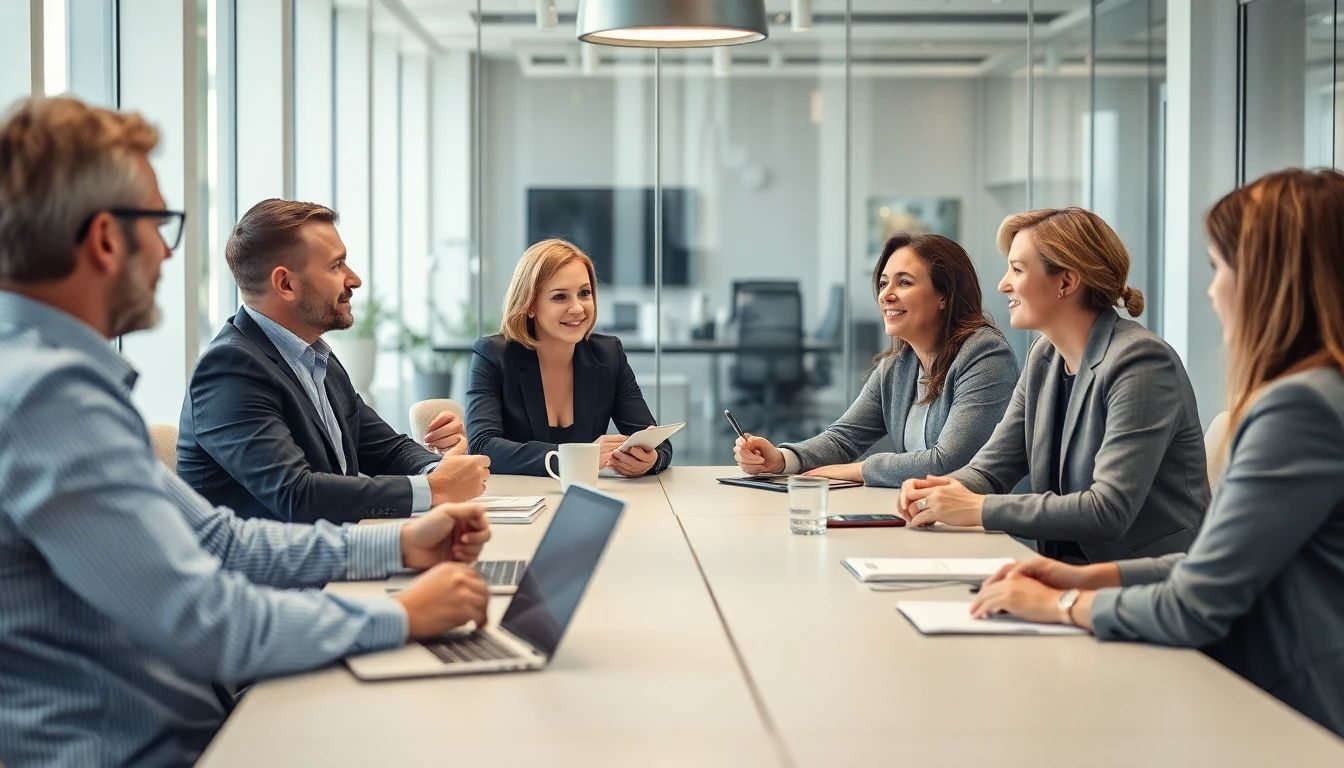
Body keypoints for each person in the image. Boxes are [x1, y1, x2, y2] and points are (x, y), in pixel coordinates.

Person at [0, 96, 493, 767]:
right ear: (107, 238)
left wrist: (401, 544)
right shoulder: (45, 397)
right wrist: (404, 616)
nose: (166, 256)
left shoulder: (51, 379)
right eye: (159, 224)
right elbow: (203, 619)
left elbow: (214, 540)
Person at [969, 168, 1344, 738]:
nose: (1213, 289)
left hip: (1286, 711)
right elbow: (1213, 569)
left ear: (1268, 279)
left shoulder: (1299, 409)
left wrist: (1061, 604)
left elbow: (1195, 604)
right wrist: (1089, 580)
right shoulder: (1316, 396)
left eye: (1219, 268)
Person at [899, 208, 1208, 563]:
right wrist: (935, 491)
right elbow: (991, 468)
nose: (1003, 284)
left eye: (1017, 269)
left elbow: (1108, 510)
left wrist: (979, 508)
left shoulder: (1141, 362)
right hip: (1064, 573)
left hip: (1145, 586)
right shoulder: (1044, 357)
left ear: (1066, 282)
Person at [177, 199, 490, 524]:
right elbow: (297, 495)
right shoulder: (230, 370)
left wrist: (442, 468)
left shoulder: (315, 356)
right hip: (273, 574)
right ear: (285, 284)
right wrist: (435, 488)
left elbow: (386, 450)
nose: (354, 279)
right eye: (335, 266)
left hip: (338, 556)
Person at [733, 233, 1018, 487]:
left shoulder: (985, 354)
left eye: (904, 282)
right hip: (921, 514)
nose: (886, 295)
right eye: (883, 283)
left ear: (944, 296)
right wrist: (782, 459)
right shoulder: (898, 366)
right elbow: (843, 438)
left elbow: (948, 463)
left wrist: (859, 470)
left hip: (976, 530)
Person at [466, 238, 671, 477]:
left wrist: (650, 459)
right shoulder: (493, 355)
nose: (578, 308)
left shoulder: (608, 354)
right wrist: (576, 458)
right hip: (516, 500)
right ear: (529, 305)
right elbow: (482, 446)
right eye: (560, 297)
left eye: (584, 293)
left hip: (584, 496)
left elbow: (656, 439)